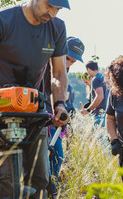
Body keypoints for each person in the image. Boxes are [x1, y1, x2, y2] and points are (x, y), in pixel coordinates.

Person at [0, 0, 71, 198]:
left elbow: (57, 72)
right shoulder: (2, 20)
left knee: (39, 178)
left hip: (33, 108)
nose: (52, 13)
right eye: (49, 5)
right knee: (6, 181)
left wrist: (59, 104)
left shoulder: (57, 28)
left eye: (58, 9)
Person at [45, 36, 85, 198]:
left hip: (57, 124)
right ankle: (45, 190)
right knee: (45, 158)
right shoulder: (44, 65)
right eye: (67, 58)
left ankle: (52, 190)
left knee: (58, 156)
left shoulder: (65, 74)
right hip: (42, 120)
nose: (69, 63)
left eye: (73, 62)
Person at [81, 61, 108, 128]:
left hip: (99, 114)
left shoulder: (95, 79)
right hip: (105, 113)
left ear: (89, 69)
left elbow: (99, 96)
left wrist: (88, 110)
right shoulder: (103, 77)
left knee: (100, 138)